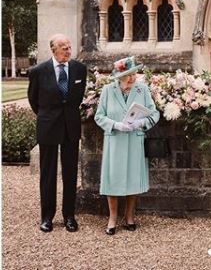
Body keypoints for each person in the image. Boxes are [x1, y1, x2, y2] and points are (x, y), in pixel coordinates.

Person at [28, 34, 87, 233]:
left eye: (69, 47)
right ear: (53, 49)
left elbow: (77, 99)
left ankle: (69, 216)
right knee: (48, 174)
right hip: (48, 126)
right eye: (63, 47)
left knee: (70, 173)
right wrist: (48, 117)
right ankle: (47, 217)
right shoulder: (38, 71)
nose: (68, 50)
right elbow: (33, 100)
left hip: (71, 127)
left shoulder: (80, 69)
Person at [94, 56, 160, 235]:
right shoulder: (108, 90)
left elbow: (154, 114)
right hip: (115, 140)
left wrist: (140, 123)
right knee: (112, 179)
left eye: (134, 74)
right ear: (119, 76)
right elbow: (99, 116)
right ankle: (112, 218)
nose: (132, 78)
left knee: (132, 178)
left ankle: (129, 216)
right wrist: (115, 125)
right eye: (127, 75)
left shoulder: (142, 89)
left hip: (134, 139)